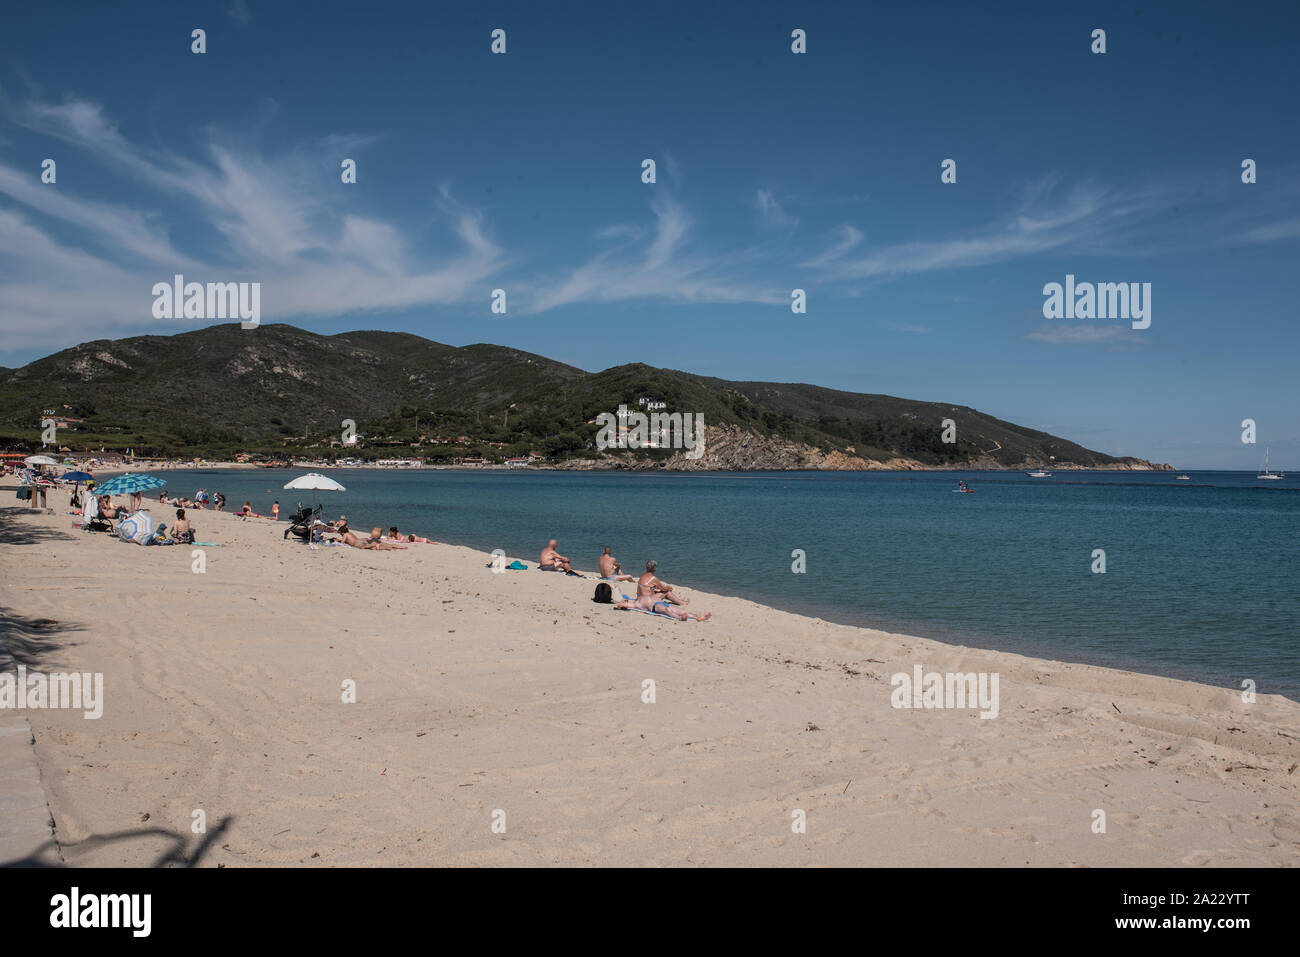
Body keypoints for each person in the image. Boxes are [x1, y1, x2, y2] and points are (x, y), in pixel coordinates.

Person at [615, 561, 711, 621]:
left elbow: (645, 590)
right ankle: (680, 618)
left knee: (678, 610)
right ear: (655, 568)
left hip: (652, 601)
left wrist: (623, 604)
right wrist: (668, 588)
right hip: (652, 604)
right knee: (666, 609)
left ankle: (698, 618)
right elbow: (663, 589)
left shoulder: (642, 577)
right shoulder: (653, 578)